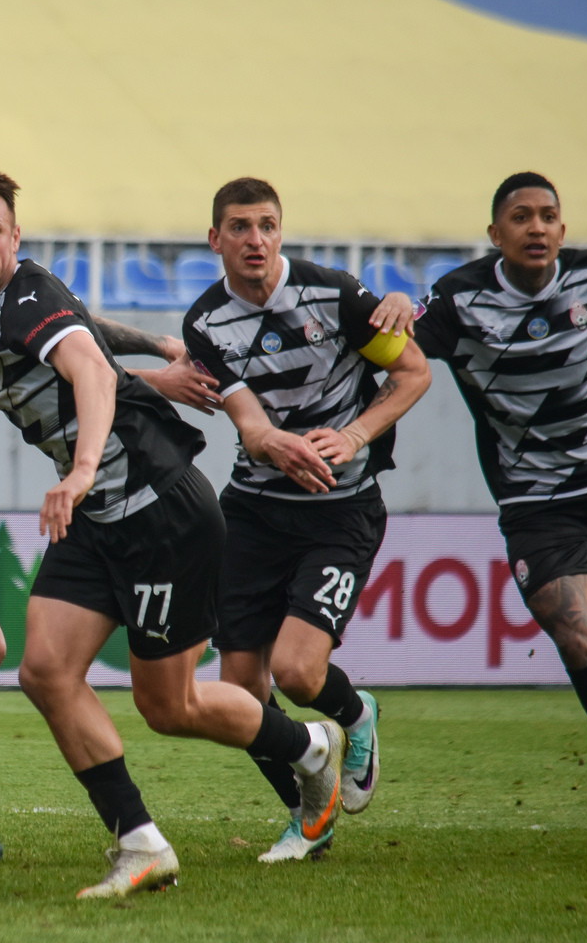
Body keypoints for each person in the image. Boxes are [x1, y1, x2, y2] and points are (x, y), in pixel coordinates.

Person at [0, 169, 347, 899]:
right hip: (95, 518)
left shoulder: (31, 293)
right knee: (45, 673)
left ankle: (310, 745)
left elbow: (92, 371)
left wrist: (81, 470)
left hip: (159, 510)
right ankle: (140, 844)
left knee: (169, 707)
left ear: (16, 238)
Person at [182, 177, 430, 862]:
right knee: (240, 690)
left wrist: (353, 436)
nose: (255, 239)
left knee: (295, 671)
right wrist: (273, 443)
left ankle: (356, 714)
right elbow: (250, 424)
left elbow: (413, 373)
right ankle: (306, 814)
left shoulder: (336, 295)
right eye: (239, 227)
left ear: (281, 231)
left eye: (267, 225)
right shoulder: (206, 322)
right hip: (253, 514)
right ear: (215, 239)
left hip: (340, 512)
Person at [415, 172, 587, 756]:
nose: (537, 228)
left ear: (562, 229)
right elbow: (394, 354)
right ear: (495, 234)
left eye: (548, 217)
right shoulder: (459, 300)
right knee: (577, 635)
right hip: (537, 500)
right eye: (522, 217)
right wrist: (394, 309)